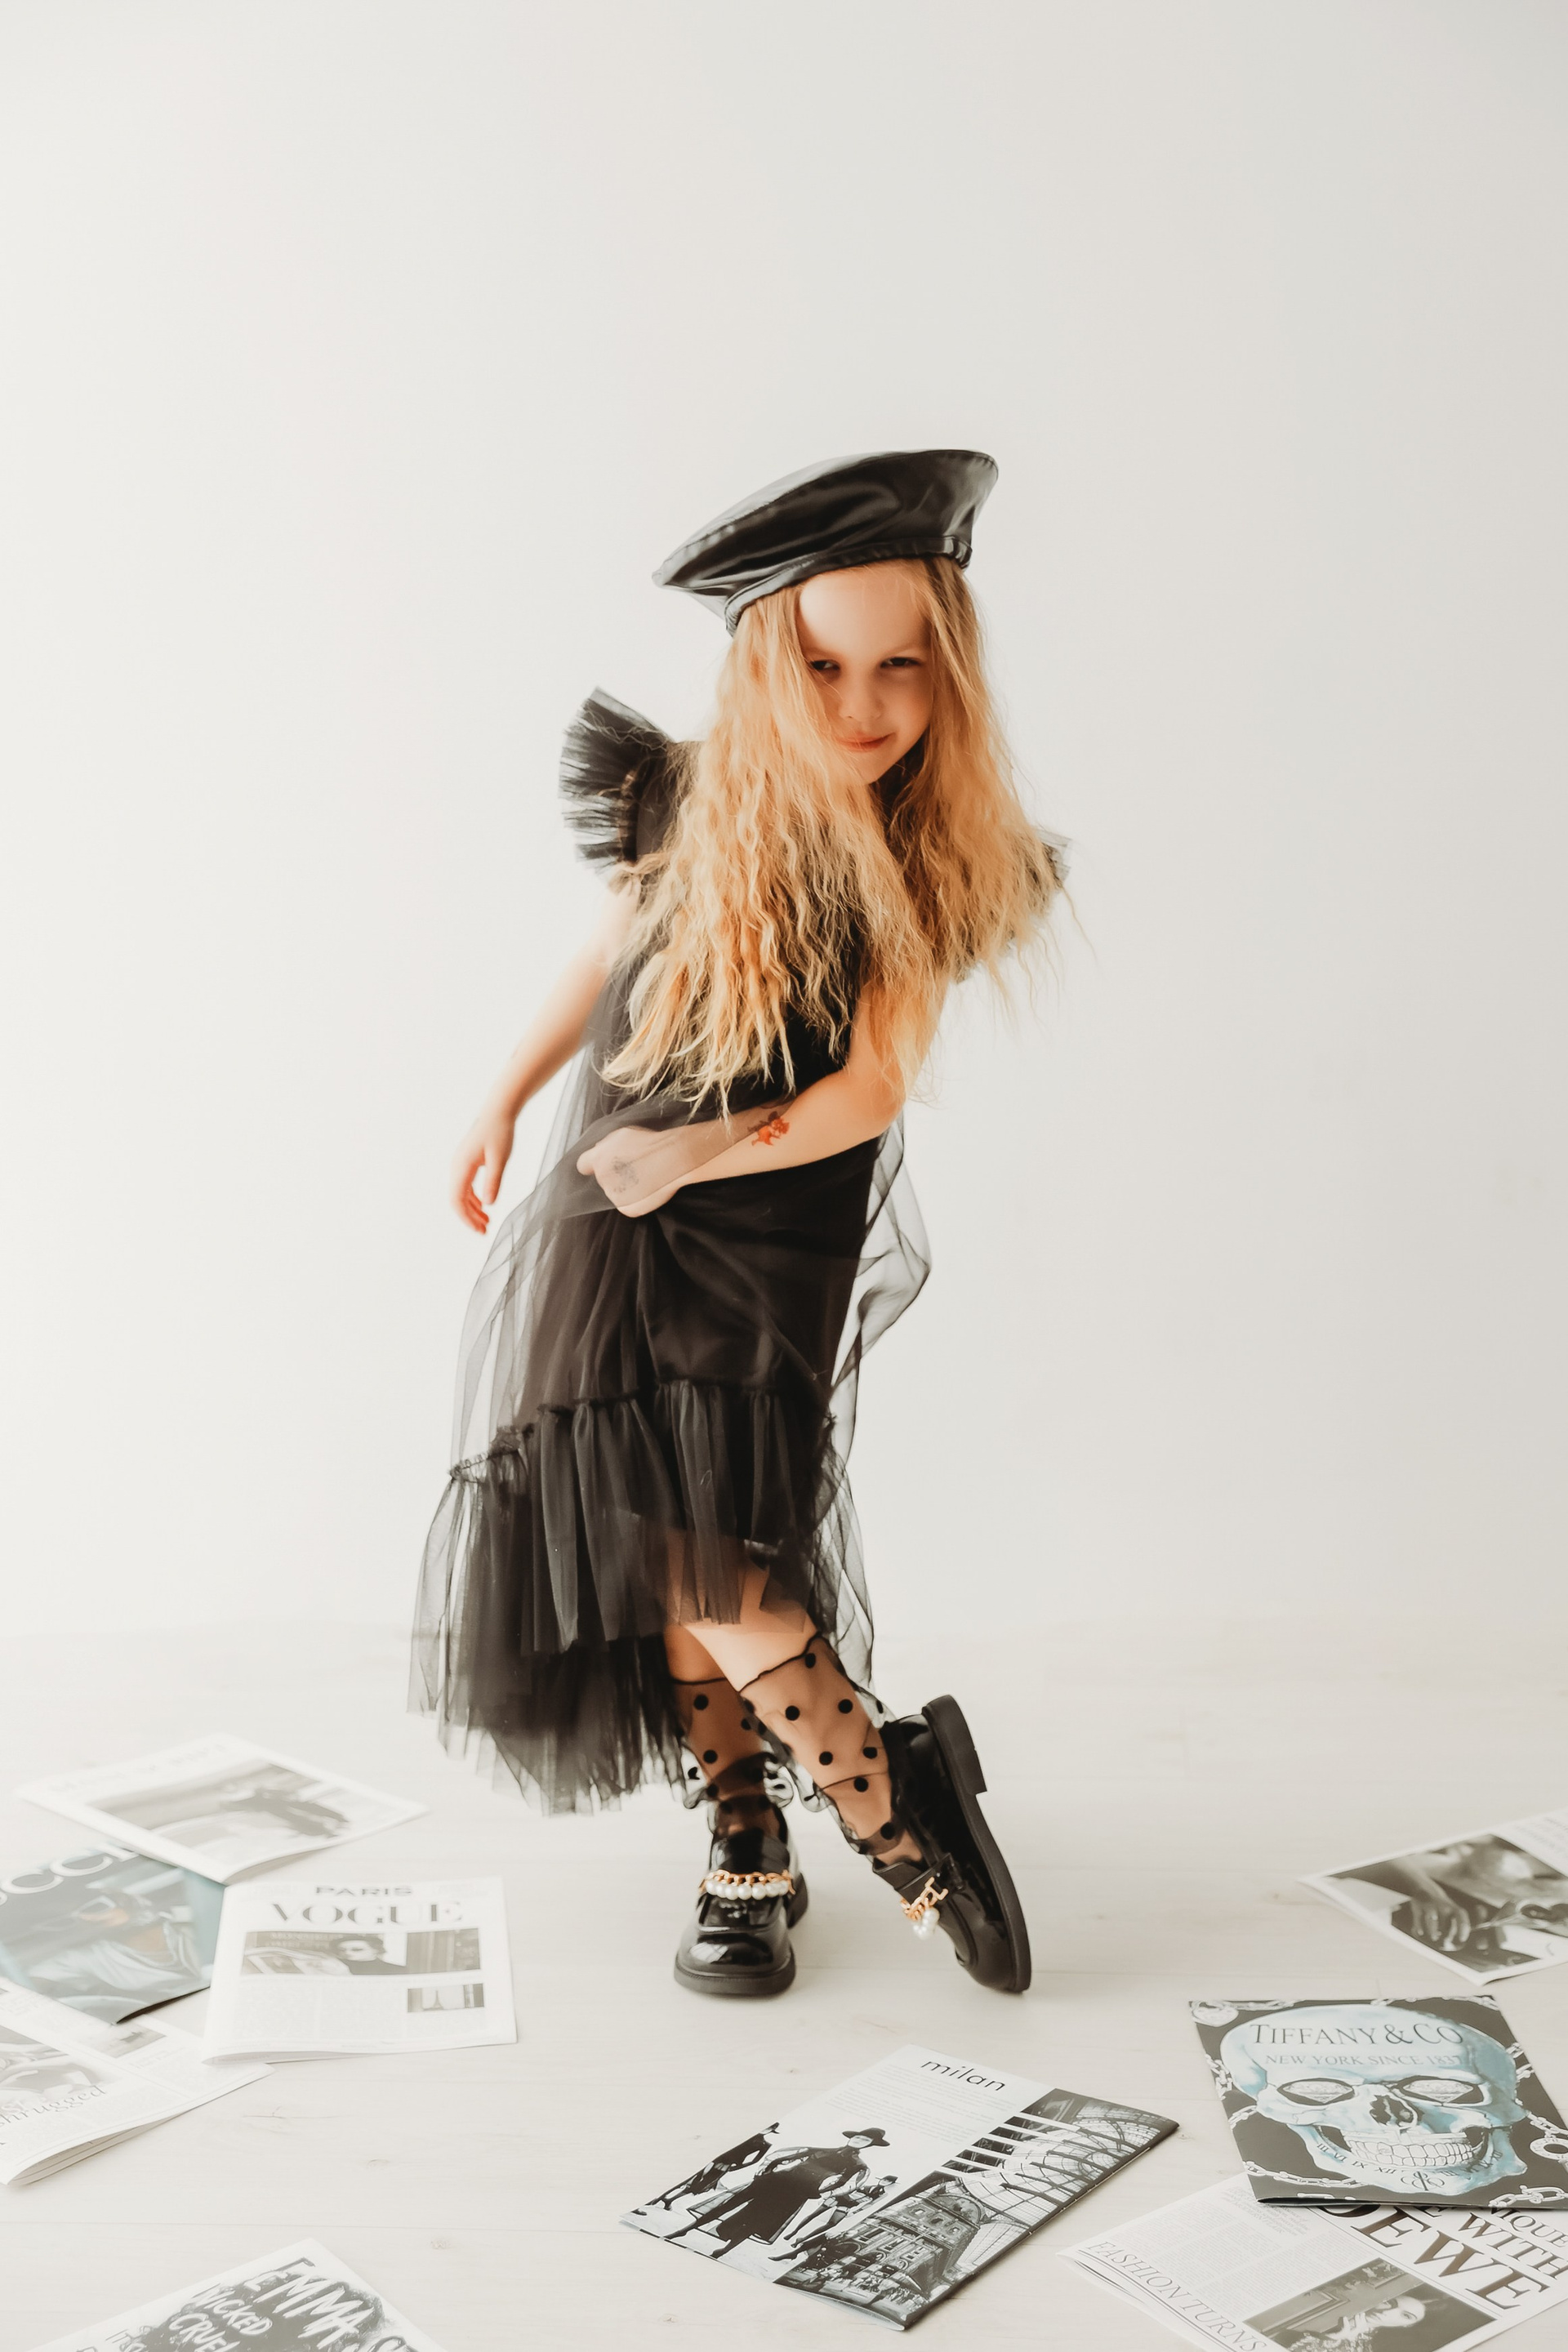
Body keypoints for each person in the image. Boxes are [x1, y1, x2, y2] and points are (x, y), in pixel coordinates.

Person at [412, 451, 1064, 1997]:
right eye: (826, 667)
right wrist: (503, 1095)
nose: (864, 705)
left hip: (755, 1218)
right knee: (660, 1540)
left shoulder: (924, 850)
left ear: (950, 670)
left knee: (713, 1547)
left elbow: (869, 1091)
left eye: (902, 667)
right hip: (618, 1201)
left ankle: (896, 1814)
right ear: (770, 662)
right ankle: (746, 1831)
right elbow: (608, 953)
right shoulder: (697, 796)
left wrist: (698, 1155)